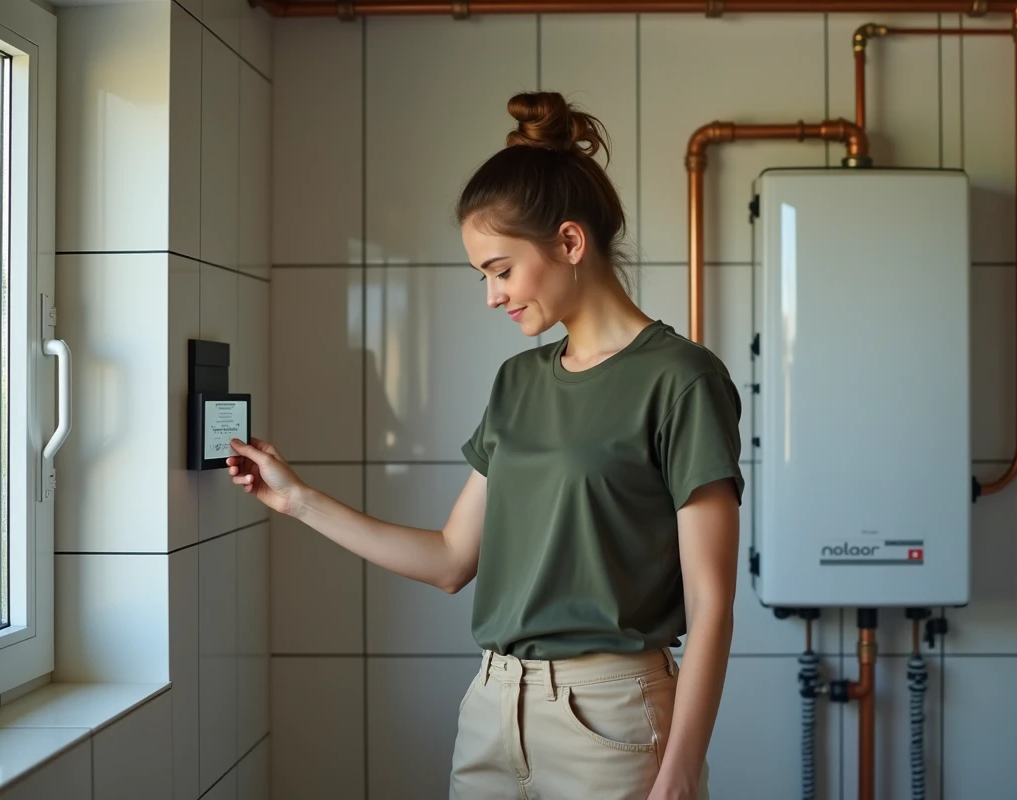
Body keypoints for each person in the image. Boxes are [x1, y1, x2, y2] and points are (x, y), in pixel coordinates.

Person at [227, 91, 744, 800]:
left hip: (614, 720)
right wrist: (296, 499)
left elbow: (712, 601)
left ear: (569, 242)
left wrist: (681, 771)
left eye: (501, 270)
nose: (492, 296)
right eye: (483, 277)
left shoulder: (681, 379)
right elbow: (449, 559)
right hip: (492, 710)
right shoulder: (517, 383)